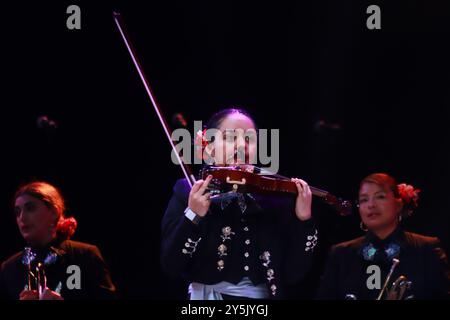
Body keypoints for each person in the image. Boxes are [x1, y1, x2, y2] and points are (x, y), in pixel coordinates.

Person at [161, 108, 318, 299]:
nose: (242, 145)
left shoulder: (273, 199)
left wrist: (304, 222)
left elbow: (294, 274)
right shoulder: (187, 190)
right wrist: (193, 215)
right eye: (229, 137)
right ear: (208, 146)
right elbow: (171, 264)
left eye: (249, 139)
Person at [317, 173, 449, 300]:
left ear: (398, 204)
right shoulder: (341, 254)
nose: (371, 205)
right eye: (364, 199)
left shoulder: (426, 249)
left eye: (380, 197)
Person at [0, 181, 116, 300]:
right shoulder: (10, 268)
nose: (22, 217)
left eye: (30, 208)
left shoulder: (84, 255)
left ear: (54, 212)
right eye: (17, 211)